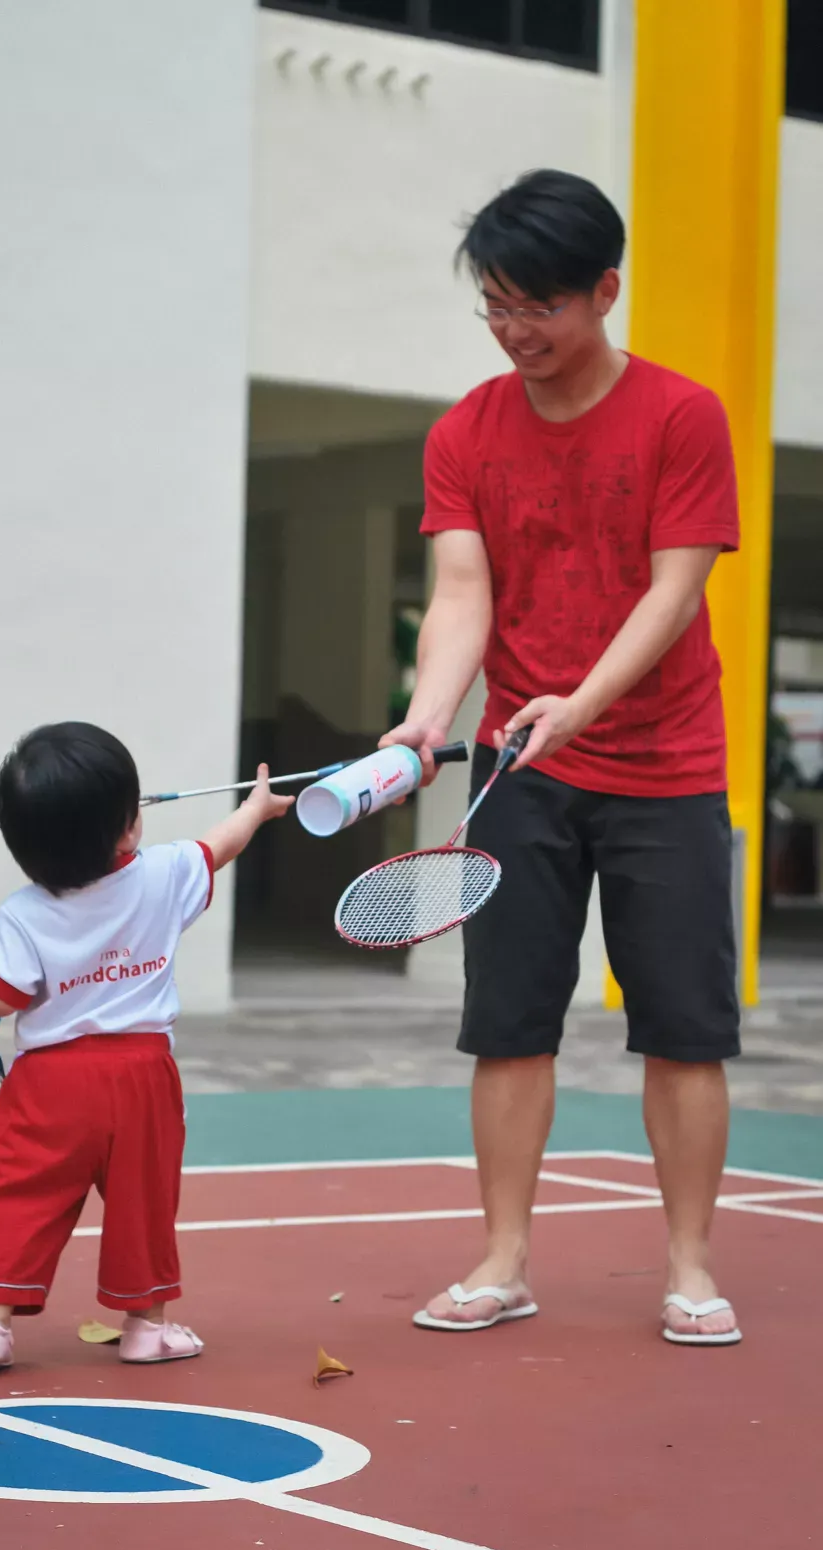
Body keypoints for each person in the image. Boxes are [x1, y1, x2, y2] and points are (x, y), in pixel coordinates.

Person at [383, 169, 743, 1347]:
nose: (514, 330)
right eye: (493, 304)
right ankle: (501, 1260)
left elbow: (673, 593)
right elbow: (459, 592)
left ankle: (689, 1267)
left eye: (538, 306)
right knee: (508, 1022)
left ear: (605, 290)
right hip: (519, 773)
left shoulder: (682, 417)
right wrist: (426, 716)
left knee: (685, 1029)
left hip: (668, 767)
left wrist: (580, 703)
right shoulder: (464, 431)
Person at [0, 722, 293, 1370]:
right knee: (144, 1201)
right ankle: (145, 1327)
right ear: (130, 825)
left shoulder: (22, 911)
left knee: (17, 1191)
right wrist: (256, 807)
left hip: (50, 1082)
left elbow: (2, 992)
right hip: (141, 1074)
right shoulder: (163, 875)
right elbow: (218, 846)